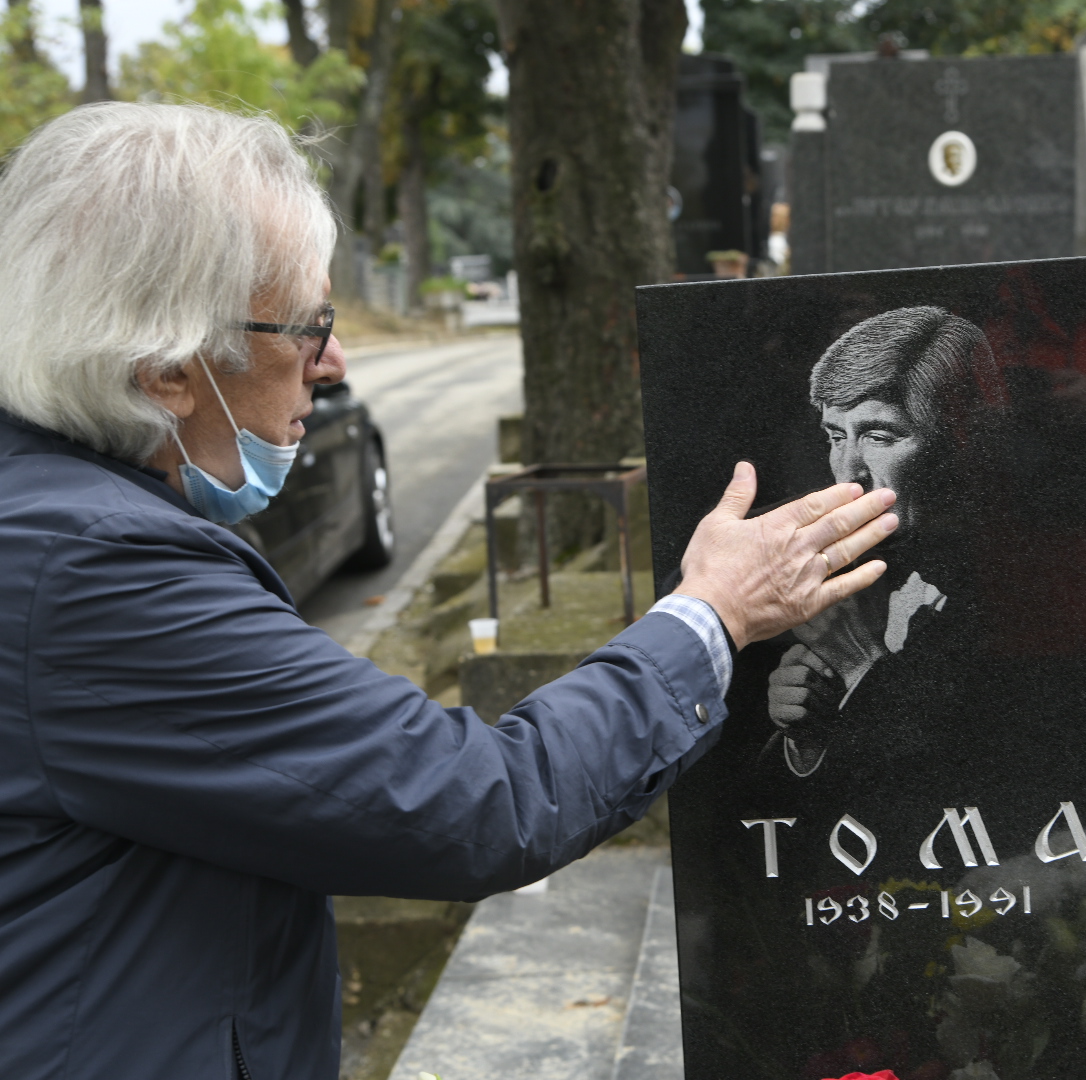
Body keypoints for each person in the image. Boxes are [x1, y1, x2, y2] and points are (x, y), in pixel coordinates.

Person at [0, 102, 898, 1078]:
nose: (334, 365)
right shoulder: (96, 572)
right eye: (309, 328)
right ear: (169, 369)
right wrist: (712, 614)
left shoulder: (45, 511)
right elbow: (481, 800)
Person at [766, 306, 996, 776]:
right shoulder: (844, 565)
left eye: (879, 435)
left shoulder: (1017, 573)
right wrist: (808, 736)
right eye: (835, 437)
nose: (849, 472)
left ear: (961, 439)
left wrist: (858, 667)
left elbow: (988, 772)